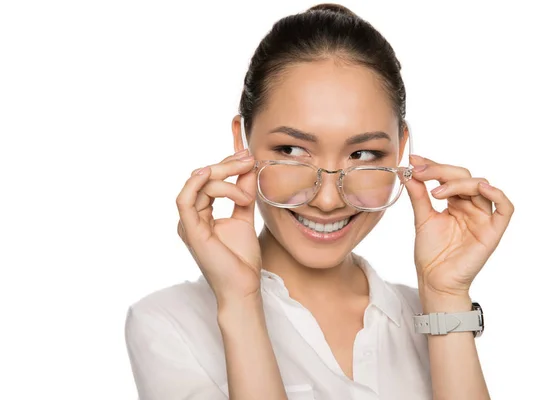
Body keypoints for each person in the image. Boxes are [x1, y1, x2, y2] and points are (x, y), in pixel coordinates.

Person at [125, 4, 514, 400]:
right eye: (292, 150)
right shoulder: (168, 323)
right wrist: (240, 303)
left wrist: (446, 295)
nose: (327, 199)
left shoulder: (429, 313)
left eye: (362, 155)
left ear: (401, 150)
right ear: (242, 141)